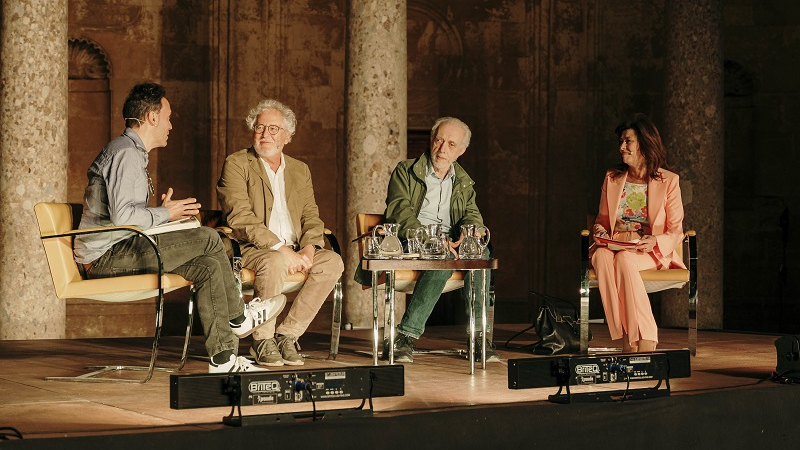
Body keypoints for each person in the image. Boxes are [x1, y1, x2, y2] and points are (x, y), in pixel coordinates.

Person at [73, 83, 285, 373]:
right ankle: (239, 317)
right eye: (169, 116)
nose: (171, 125)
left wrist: (165, 217)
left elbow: (124, 213)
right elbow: (123, 215)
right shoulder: (124, 153)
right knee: (210, 237)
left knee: (208, 264)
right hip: (106, 258)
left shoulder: (131, 152)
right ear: (152, 117)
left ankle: (223, 359)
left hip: (124, 247)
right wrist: (163, 213)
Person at [216, 99, 344, 367]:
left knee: (333, 262)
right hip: (251, 247)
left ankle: (287, 335)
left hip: (296, 248)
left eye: (274, 129)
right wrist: (280, 249)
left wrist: (309, 248)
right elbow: (240, 217)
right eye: (260, 128)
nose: (265, 135)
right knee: (274, 261)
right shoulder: (237, 163)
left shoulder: (300, 170)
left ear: (288, 136)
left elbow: (311, 215)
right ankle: (262, 340)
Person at [368, 116, 497, 363]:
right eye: (439, 141)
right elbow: (399, 211)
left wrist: (471, 231)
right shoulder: (405, 170)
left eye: (450, 144)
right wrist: (430, 238)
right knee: (443, 256)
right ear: (431, 141)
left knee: (480, 254)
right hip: (412, 241)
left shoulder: (463, 181)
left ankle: (479, 338)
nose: (442, 149)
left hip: (451, 244)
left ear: (461, 151)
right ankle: (405, 337)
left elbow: (471, 212)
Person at [591, 113, 686, 352]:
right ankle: (628, 334)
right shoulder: (612, 178)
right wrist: (601, 233)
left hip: (648, 249)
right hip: (613, 245)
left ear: (644, 143)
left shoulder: (669, 181)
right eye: (621, 141)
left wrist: (654, 240)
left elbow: (676, 230)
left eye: (628, 141)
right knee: (601, 257)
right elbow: (601, 221)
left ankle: (638, 338)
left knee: (625, 260)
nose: (622, 147)